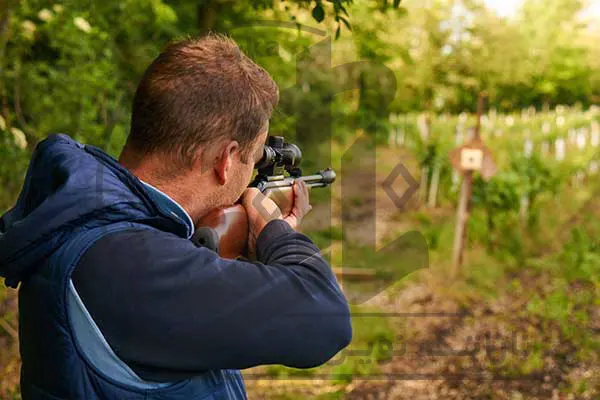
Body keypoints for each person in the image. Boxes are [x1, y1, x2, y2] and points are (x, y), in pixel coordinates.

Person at [0, 34, 352, 400]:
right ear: (227, 159)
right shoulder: (130, 265)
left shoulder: (95, 230)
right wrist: (274, 230)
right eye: (251, 160)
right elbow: (326, 319)